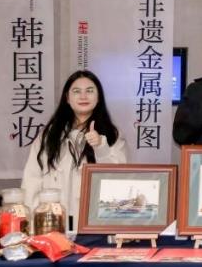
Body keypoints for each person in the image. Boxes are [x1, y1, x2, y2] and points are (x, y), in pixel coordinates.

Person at [21, 70, 126, 232]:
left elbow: (118, 178)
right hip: (53, 224)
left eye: (89, 91)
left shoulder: (112, 134)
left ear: (99, 97)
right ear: (67, 98)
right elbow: (31, 181)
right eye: (76, 91)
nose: (83, 96)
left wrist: (101, 147)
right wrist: (33, 223)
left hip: (94, 225)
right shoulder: (49, 135)